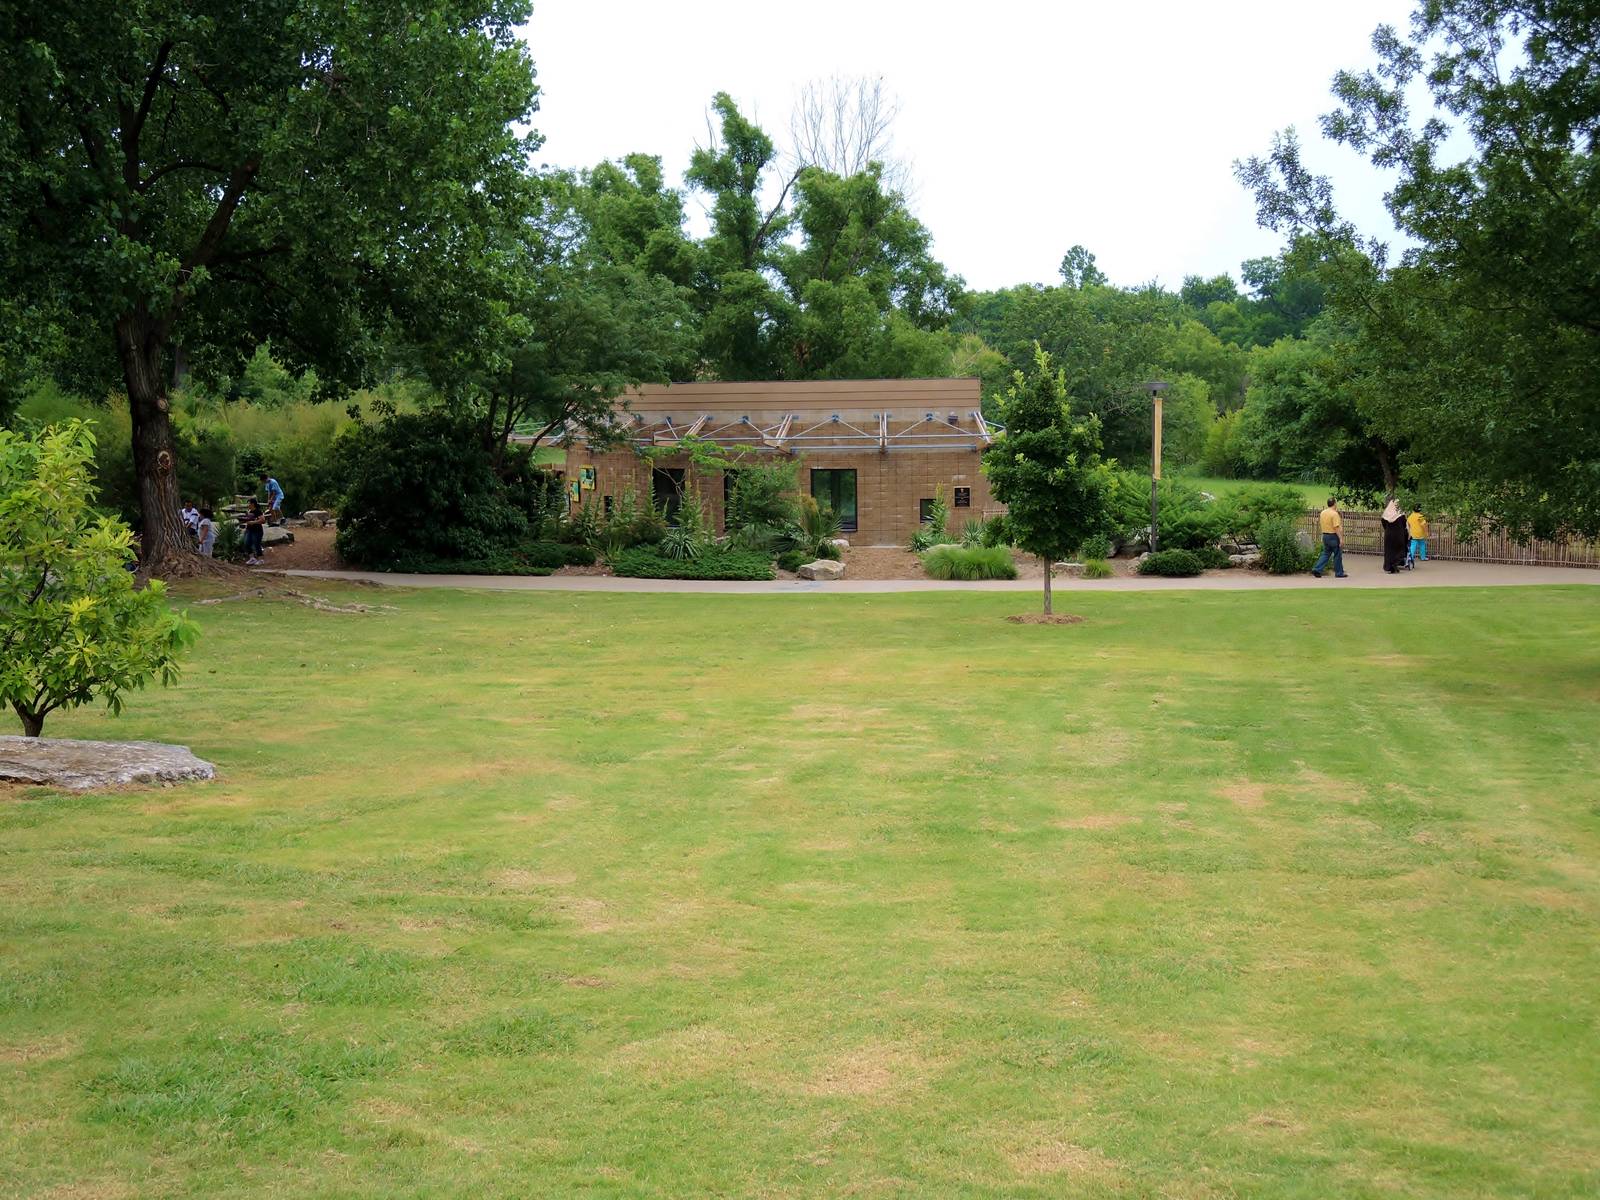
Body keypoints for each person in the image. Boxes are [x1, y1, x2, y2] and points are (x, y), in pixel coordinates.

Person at [1311, 497, 1348, 578]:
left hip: (1325, 535)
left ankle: (1317, 569)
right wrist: (1341, 538)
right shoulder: (1334, 514)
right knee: (1337, 554)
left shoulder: (1323, 513)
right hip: (1333, 536)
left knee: (1326, 553)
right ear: (1334, 504)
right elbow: (1336, 527)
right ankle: (1339, 573)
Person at [1380, 495, 1408, 574]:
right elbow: (1404, 523)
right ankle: (1394, 565)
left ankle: (1388, 567)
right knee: (1399, 550)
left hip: (1389, 535)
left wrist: (1388, 529)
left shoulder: (1386, 514)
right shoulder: (1400, 514)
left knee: (1389, 551)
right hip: (1398, 535)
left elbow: (1383, 523)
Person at [240, 500, 266, 565]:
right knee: (247, 544)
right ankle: (252, 558)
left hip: (257, 531)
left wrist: (253, 522)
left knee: (257, 544)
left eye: (248, 503)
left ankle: (261, 560)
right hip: (249, 530)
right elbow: (249, 520)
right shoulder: (249, 512)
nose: (247, 505)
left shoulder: (258, 511)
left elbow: (263, 520)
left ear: (252, 504)